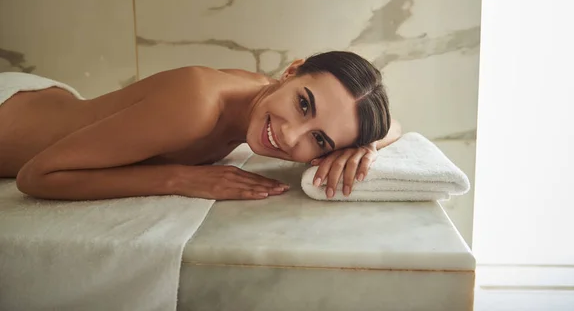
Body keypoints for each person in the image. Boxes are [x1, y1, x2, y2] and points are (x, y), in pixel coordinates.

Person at [0, 51, 402, 201]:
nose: (289, 134)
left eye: (319, 140)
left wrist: (364, 147)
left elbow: (391, 125)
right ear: (292, 70)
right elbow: (36, 176)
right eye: (302, 104)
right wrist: (180, 179)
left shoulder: (263, 94)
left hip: (48, 99)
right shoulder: (197, 105)